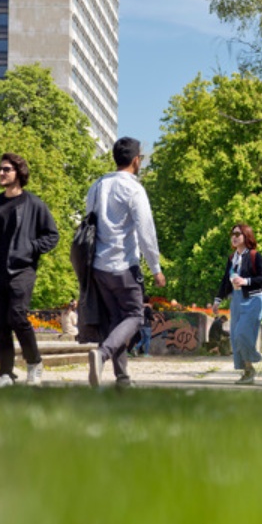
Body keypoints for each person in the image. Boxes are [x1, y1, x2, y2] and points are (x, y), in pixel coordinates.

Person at [83, 137, 167, 389]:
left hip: (98, 266)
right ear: (136, 160)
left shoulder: (97, 185)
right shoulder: (134, 189)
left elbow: (88, 221)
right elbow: (146, 230)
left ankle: (122, 378)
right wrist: (156, 268)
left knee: (115, 321)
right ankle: (103, 354)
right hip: (124, 265)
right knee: (134, 316)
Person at [0, 153, 60, 387]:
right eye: (0, 169)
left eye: (6, 169)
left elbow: (52, 236)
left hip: (22, 270)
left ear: (18, 173)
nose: (1, 173)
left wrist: (30, 248)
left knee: (18, 316)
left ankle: (34, 363)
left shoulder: (34, 204)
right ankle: (6, 373)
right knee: (0, 323)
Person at [211, 223, 262, 384]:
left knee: (243, 334)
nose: (234, 237)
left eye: (238, 234)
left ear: (246, 236)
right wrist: (217, 300)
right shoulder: (232, 258)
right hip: (236, 300)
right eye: (233, 234)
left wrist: (246, 281)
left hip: (253, 300)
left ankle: (253, 361)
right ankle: (247, 370)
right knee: (235, 337)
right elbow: (225, 281)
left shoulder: (254, 256)